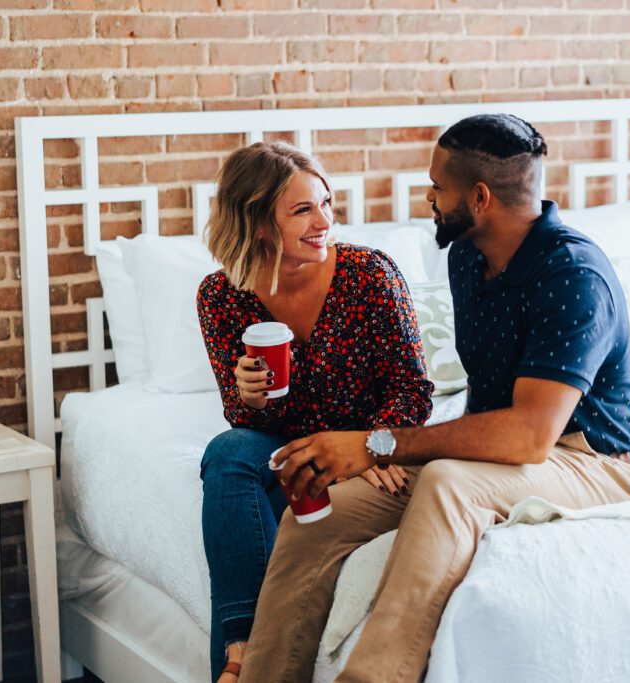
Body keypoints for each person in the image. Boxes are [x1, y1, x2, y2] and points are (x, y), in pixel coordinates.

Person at [238, 115, 630, 683]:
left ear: (479, 199)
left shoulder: (572, 275)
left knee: (447, 482)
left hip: (586, 461)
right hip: (489, 451)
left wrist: (380, 445)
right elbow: (489, 424)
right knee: (319, 515)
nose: (428, 198)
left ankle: (374, 675)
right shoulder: (466, 257)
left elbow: (530, 437)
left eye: (437, 188)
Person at [196, 141, 433, 682]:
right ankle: (243, 649)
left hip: (362, 449)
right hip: (285, 451)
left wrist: (374, 446)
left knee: (236, 461)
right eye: (302, 209)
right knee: (228, 454)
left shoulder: (369, 274)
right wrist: (249, 396)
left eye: (326, 202)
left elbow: (413, 386)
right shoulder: (221, 296)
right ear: (258, 222)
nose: (324, 220)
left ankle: (236, 669)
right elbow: (243, 417)